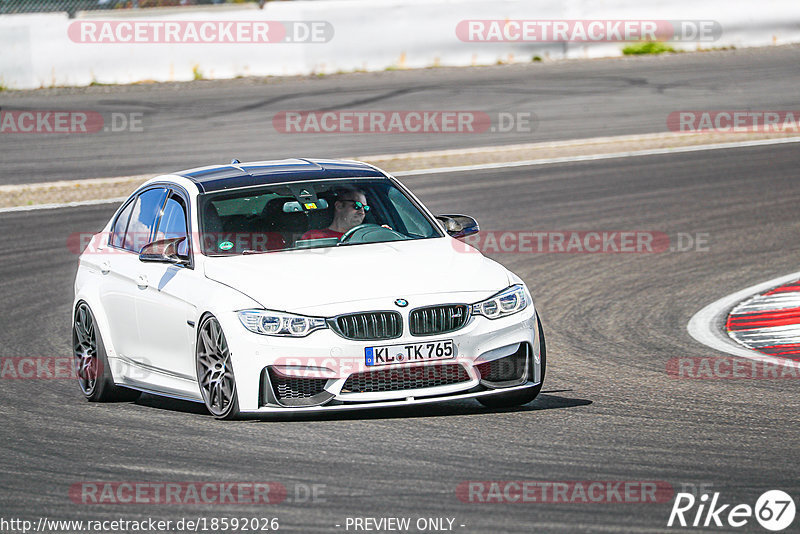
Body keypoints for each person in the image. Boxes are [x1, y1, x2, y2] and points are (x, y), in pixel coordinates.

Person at [301, 187, 369, 240]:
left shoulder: (369, 237)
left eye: (366, 208)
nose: (362, 212)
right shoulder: (313, 237)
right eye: (357, 206)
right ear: (339, 206)